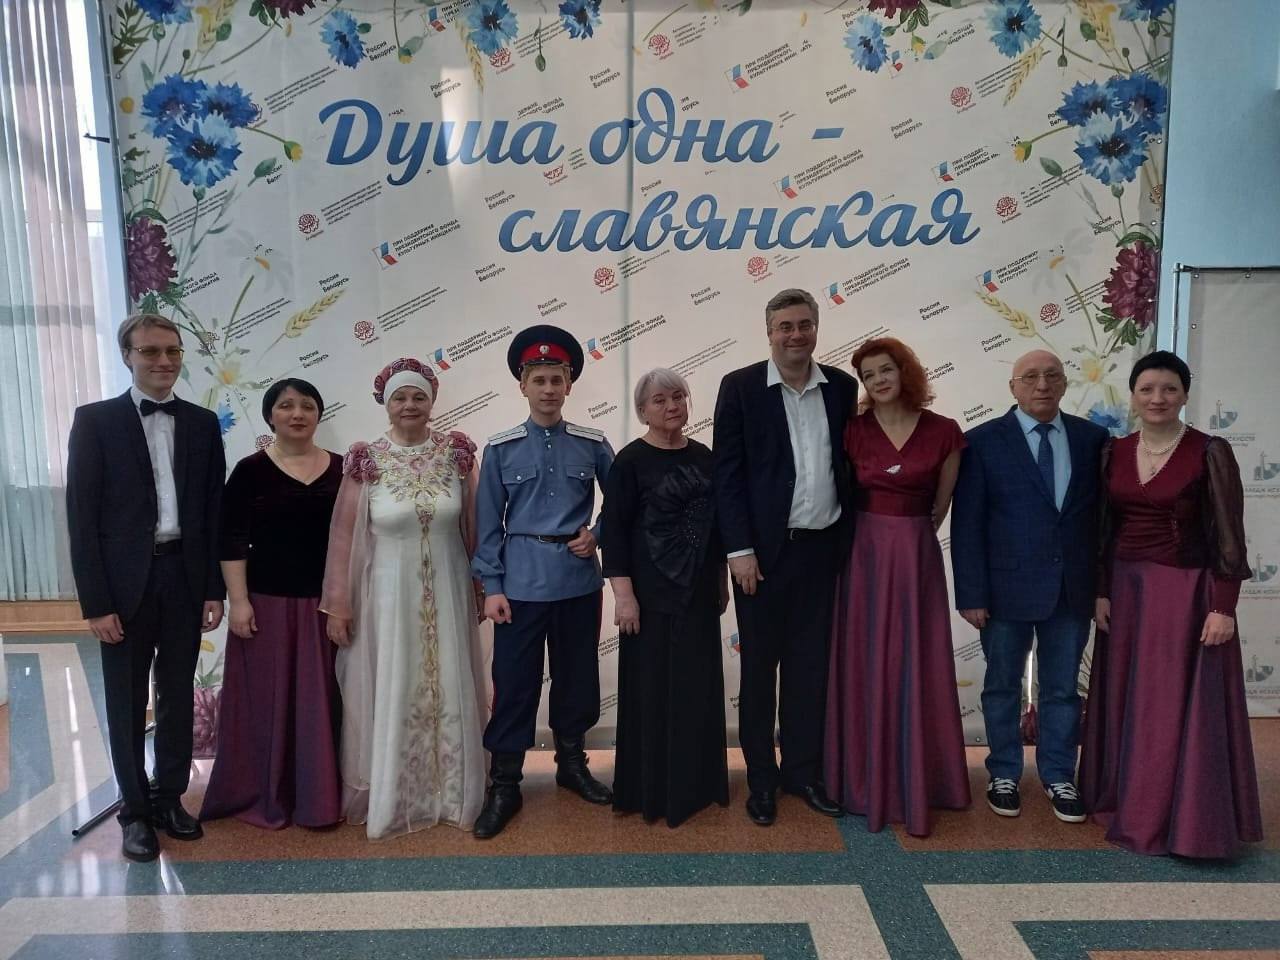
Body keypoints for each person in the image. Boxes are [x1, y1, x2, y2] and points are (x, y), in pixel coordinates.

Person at [1080, 351, 1262, 857]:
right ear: (1133, 396)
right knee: (1128, 700)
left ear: (1184, 395)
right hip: (1125, 593)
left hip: (1185, 595)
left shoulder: (1209, 451)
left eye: (1169, 389)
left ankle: (1183, 821)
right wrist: (1101, 590)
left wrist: (1223, 607)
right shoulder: (1114, 451)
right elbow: (1104, 529)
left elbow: (1229, 535)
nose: (1157, 398)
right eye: (1147, 389)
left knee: (1169, 705)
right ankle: (1125, 800)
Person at [66, 313, 226, 862]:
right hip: (123, 584)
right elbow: (82, 518)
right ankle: (134, 811)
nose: (163, 361)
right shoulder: (96, 421)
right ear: (127, 356)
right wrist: (97, 604)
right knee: (127, 700)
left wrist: (213, 589)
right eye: (150, 351)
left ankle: (168, 798)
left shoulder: (203, 423)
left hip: (184, 576)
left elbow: (211, 512)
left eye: (173, 351)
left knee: (178, 693)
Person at [320, 358, 487, 839]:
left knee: (451, 678)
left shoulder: (457, 454)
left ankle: (453, 794)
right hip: (388, 596)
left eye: (418, 396)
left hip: (450, 589)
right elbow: (343, 541)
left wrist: (481, 587)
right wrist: (340, 605)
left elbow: (474, 527)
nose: (409, 405)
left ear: (431, 401)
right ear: (386, 404)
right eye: (400, 397)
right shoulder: (366, 460)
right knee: (396, 682)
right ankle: (398, 796)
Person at [712, 288, 859, 826]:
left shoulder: (842, 387)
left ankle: (803, 773)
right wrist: (739, 551)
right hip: (761, 560)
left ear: (816, 328)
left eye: (804, 325)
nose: (796, 335)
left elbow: (847, 466)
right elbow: (726, 475)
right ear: (769, 332)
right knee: (759, 672)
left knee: (810, 670)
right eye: (785, 326)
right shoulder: (740, 387)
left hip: (822, 553)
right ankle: (761, 780)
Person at [950, 350, 1108, 823]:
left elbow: (1103, 522)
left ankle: (1059, 775)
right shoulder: (981, 441)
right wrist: (971, 594)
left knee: (1062, 689)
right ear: (1013, 387)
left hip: (1070, 589)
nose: (1042, 385)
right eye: (1031, 377)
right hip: (1003, 591)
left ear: (1064, 384)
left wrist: (1102, 587)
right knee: (1002, 687)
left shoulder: (1092, 439)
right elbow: (967, 524)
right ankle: (1003, 773)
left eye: (1052, 376)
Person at [471, 324, 616, 839]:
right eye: (539, 380)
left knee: (577, 678)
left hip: (577, 582)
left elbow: (625, 501)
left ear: (569, 385)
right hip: (521, 585)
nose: (549, 389)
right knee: (514, 683)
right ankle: (505, 782)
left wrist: (598, 534)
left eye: (557, 379)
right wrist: (492, 587)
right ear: (523, 386)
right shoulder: (501, 448)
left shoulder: (592, 443)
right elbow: (488, 524)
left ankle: (572, 766)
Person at [825, 338, 970, 836]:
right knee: (866, 660)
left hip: (915, 556)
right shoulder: (851, 431)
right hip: (862, 556)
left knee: (915, 660)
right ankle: (863, 777)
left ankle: (920, 779)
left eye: (885, 370)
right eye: (868, 375)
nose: (878, 380)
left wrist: (907, 535)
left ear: (904, 371)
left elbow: (940, 508)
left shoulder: (946, 432)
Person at [200, 378, 343, 829]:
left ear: (319, 414)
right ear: (269, 417)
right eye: (286, 406)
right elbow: (232, 540)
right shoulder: (250, 471)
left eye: (307, 405)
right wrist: (238, 601)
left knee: (322, 703)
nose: (297, 414)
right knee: (267, 703)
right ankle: (266, 792)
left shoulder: (344, 470)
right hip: (267, 606)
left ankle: (320, 797)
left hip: (326, 608)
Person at [603, 368, 730, 827]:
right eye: (659, 400)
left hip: (698, 595)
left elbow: (717, 528)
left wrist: (720, 581)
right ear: (642, 411)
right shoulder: (629, 462)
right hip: (648, 599)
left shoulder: (705, 457)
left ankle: (698, 785)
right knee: (652, 691)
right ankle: (652, 791)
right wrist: (624, 597)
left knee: (697, 689)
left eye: (678, 396)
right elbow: (614, 533)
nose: (671, 406)